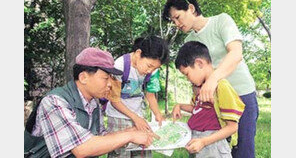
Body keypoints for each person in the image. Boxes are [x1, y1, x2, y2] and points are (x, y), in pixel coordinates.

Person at [162, 0, 259, 157]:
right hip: (213, 102)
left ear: (191, 8)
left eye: (177, 17)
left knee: (243, 149)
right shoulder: (188, 41)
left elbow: (236, 54)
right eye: (173, 21)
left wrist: (213, 80)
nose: (176, 23)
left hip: (241, 94)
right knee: (219, 148)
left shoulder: (222, 21)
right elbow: (195, 78)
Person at [24, 47, 157, 158]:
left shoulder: (94, 104)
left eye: (111, 78)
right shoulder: (55, 102)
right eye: (106, 78)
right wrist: (130, 135)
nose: (111, 84)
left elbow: (101, 138)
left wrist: (130, 132)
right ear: (83, 77)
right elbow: (81, 149)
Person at [172, 41, 245, 158]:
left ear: (199, 64)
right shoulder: (200, 88)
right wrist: (179, 106)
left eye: (187, 74)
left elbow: (232, 127)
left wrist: (204, 141)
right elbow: (197, 109)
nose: (187, 79)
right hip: (198, 143)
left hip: (213, 146)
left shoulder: (222, 86)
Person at [105, 35, 169, 158]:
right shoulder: (120, 66)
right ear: (139, 54)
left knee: (143, 150)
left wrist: (158, 114)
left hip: (139, 115)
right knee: (120, 152)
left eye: (155, 68)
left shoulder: (153, 71)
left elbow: (150, 95)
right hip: (118, 117)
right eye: (149, 66)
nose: (150, 71)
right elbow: (114, 100)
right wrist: (136, 118)